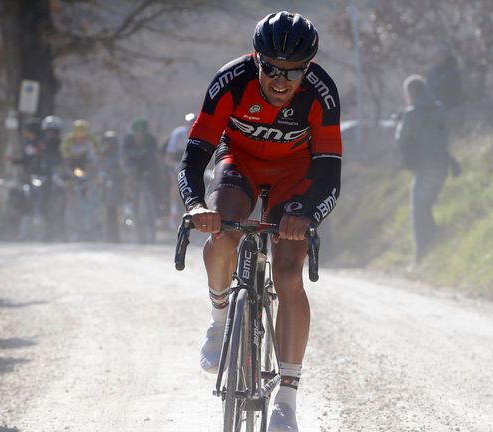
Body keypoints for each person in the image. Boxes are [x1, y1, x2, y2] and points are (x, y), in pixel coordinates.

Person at [177, 11, 342, 431]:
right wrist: (197, 206)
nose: (281, 81)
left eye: (293, 72)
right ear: (256, 60)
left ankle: (286, 400)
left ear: (308, 68)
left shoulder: (321, 94)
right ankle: (218, 321)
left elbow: (329, 173)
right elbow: (194, 155)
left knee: (288, 274)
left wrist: (306, 215)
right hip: (239, 164)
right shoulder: (230, 82)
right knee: (224, 229)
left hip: (295, 176)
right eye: (271, 68)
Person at [395, 76, 456, 265]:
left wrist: (400, 122)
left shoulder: (412, 113)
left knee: (418, 212)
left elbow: (400, 140)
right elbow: (445, 135)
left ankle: (421, 257)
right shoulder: (439, 109)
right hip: (442, 165)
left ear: (411, 93)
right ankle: (436, 250)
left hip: (424, 167)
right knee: (425, 208)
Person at [165, 113, 195, 228]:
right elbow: (168, 156)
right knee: (176, 182)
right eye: (190, 124)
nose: (191, 126)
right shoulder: (178, 134)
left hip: (192, 163)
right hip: (176, 162)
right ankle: (174, 211)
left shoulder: (201, 133)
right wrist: (175, 166)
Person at [425, 46, 464, 111]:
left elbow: (455, 89)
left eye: (439, 56)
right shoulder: (432, 72)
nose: (436, 59)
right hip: (435, 107)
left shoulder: (452, 71)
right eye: (435, 56)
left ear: (445, 57)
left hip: (451, 107)